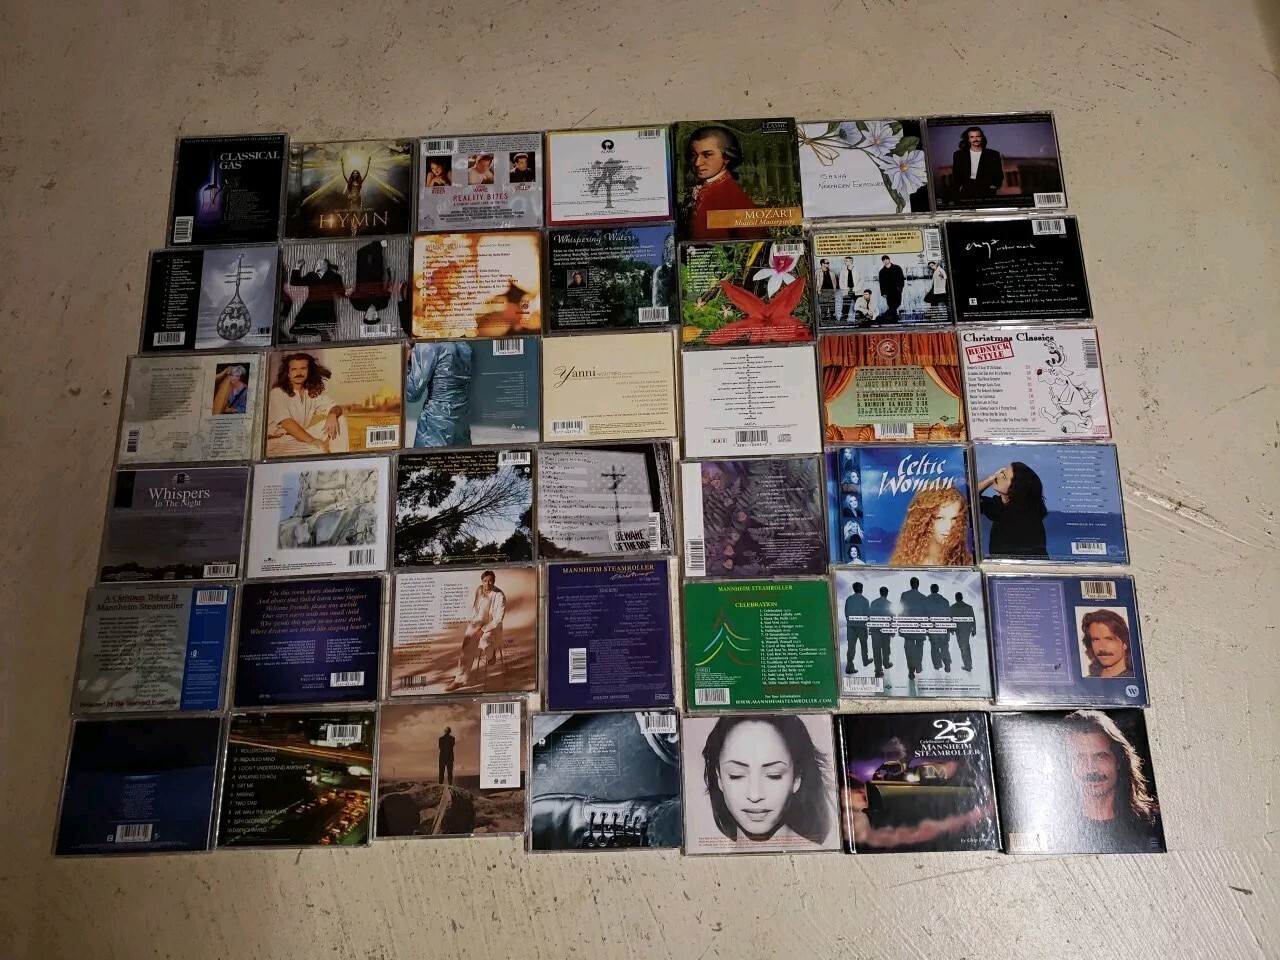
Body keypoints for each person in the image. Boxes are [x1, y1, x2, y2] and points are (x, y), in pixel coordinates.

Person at [700, 716, 834, 848]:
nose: (755, 795)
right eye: (736, 775)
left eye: (773, 775)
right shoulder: (706, 858)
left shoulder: (823, 858)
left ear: (796, 779)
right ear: (719, 778)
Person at [1061, 710, 1162, 852]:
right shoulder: (1054, 825)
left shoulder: (1153, 824)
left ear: (1118, 761)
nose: (1091, 769)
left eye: (1100, 756)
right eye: (1079, 757)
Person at [265, 353, 347, 457]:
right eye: (294, 369)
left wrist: (332, 414)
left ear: (309, 371)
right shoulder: (277, 393)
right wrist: (313, 441)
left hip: (300, 437)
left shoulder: (310, 393)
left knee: (340, 420)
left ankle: (340, 458)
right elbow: (287, 423)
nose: (299, 373)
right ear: (288, 373)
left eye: (303, 368)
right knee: (319, 451)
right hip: (278, 442)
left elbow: (336, 407)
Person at [683, 126, 757, 240]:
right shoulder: (700, 188)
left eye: (707, 155)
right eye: (694, 155)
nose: (697, 163)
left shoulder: (735, 197)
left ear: (726, 158)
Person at [405, 341, 474, 447]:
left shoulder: (427, 346)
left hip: (435, 423)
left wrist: (408, 363)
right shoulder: (464, 345)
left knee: (430, 457)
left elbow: (411, 393)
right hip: (462, 420)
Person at [447, 570, 506, 691]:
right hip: (477, 623)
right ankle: (459, 680)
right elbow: (475, 607)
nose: (487, 583)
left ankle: (491, 653)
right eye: (485, 581)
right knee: (466, 648)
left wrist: (483, 630)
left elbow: (498, 619)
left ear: (494, 581)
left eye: (490, 581)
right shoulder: (479, 590)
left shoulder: (499, 595)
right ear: (482, 581)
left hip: (492, 626)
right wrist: (473, 625)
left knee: (484, 642)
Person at [977, 462, 1049, 558]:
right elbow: (967, 497)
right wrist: (990, 479)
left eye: (1004, 476)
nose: (997, 475)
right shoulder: (1001, 504)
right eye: (1001, 472)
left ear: (1016, 488)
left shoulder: (1020, 517)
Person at [888, 487, 973, 566]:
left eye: (954, 519)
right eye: (940, 518)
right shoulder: (905, 563)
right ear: (924, 521)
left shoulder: (967, 562)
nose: (949, 526)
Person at [288, 258, 345, 340]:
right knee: (294, 330)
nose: (318, 263)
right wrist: (297, 267)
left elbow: (340, 292)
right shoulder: (311, 275)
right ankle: (314, 332)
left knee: (326, 336)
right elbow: (294, 282)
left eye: (321, 262)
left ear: (326, 265)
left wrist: (347, 292)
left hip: (326, 308)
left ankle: (321, 333)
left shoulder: (335, 277)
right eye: (317, 262)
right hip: (310, 307)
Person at [1081, 610, 1135, 678]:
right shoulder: (1087, 681)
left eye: (1109, 639)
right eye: (1096, 640)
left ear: (1125, 643)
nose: (1101, 648)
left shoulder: (1136, 679)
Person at [898, 576, 928, 679]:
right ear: (918, 585)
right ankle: (918, 667)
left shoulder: (904, 595)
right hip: (920, 627)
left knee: (908, 649)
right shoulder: (923, 597)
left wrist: (900, 626)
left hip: (908, 627)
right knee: (919, 648)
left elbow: (901, 611)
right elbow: (926, 614)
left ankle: (911, 670)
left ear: (910, 584)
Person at [843, 582, 872, 674]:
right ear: (861, 589)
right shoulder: (865, 601)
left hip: (851, 627)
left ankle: (849, 667)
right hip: (862, 626)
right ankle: (865, 661)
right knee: (864, 645)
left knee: (851, 647)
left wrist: (850, 622)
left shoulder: (849, 599)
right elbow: (868, 615)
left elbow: (846, 612)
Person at [924, 583, 953, 672]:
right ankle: (947, 662)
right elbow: (949, 616)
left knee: (934, 647)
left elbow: (925, 616)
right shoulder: (945, 601)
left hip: (932, 628)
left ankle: (937, 664)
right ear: (938, 589)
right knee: (944, 646)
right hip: (944, 628)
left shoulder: (926, 600)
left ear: (931, 590)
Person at [868, 586, 894, 676]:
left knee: (876, 649)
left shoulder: (873, 603)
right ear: (887, 593)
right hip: (886, 629)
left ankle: (878, 670)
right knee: (886, 648)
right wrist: (892, 630)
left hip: (875, 630)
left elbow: (869, 616)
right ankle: (886, 664)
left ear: (880, 592)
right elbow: (892, 618)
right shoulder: (889, 604)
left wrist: (870, 629)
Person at [950, 591, 978, 672]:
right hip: (967, 630)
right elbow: (973, 619)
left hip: (958, 630)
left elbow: (951, 619)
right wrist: (974, 630)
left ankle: (968, 665)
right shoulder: (969, 607)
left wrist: (951, 629)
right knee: (965, 646)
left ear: (956, 598)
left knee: (963, 647)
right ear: (962, 598)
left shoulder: (952, 607)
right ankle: (968, 664)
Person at [878, 255, 905, 322]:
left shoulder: (897, 268)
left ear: (889, 260)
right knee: (891, 304)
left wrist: (900, 287)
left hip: (897, 289)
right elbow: (881, 283)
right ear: (882, 261)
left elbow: (901, 278)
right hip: (888, 291)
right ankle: (895, 319)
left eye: (886, 259)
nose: (885, 261)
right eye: (883, 260)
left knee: (898, 303)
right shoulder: (882, 271)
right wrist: (883, 293)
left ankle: (885, 315)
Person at [817, 258, 837, 323]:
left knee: (831, 303)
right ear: (822, 264)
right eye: (826, 263)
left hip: (830, 290)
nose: (828, 264)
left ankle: (831, 315)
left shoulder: (832, 272)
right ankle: (824, 316)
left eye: (828, 263)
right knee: (823, 303)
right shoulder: (818, 272)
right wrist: (818, 290)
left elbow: (834, 282)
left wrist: (834, 289)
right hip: (822, 290)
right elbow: (817, 282)